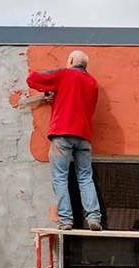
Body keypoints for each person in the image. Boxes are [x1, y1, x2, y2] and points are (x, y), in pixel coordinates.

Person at [26, 50, 102, 230]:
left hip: (62, 133)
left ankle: (66, 220)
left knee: (60, 177)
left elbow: (33, 79)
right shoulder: (93, 83)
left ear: (71, 61)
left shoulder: (65, 74)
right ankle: (93, 218)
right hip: (83, 137)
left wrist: (53, 86)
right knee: (85, 177)